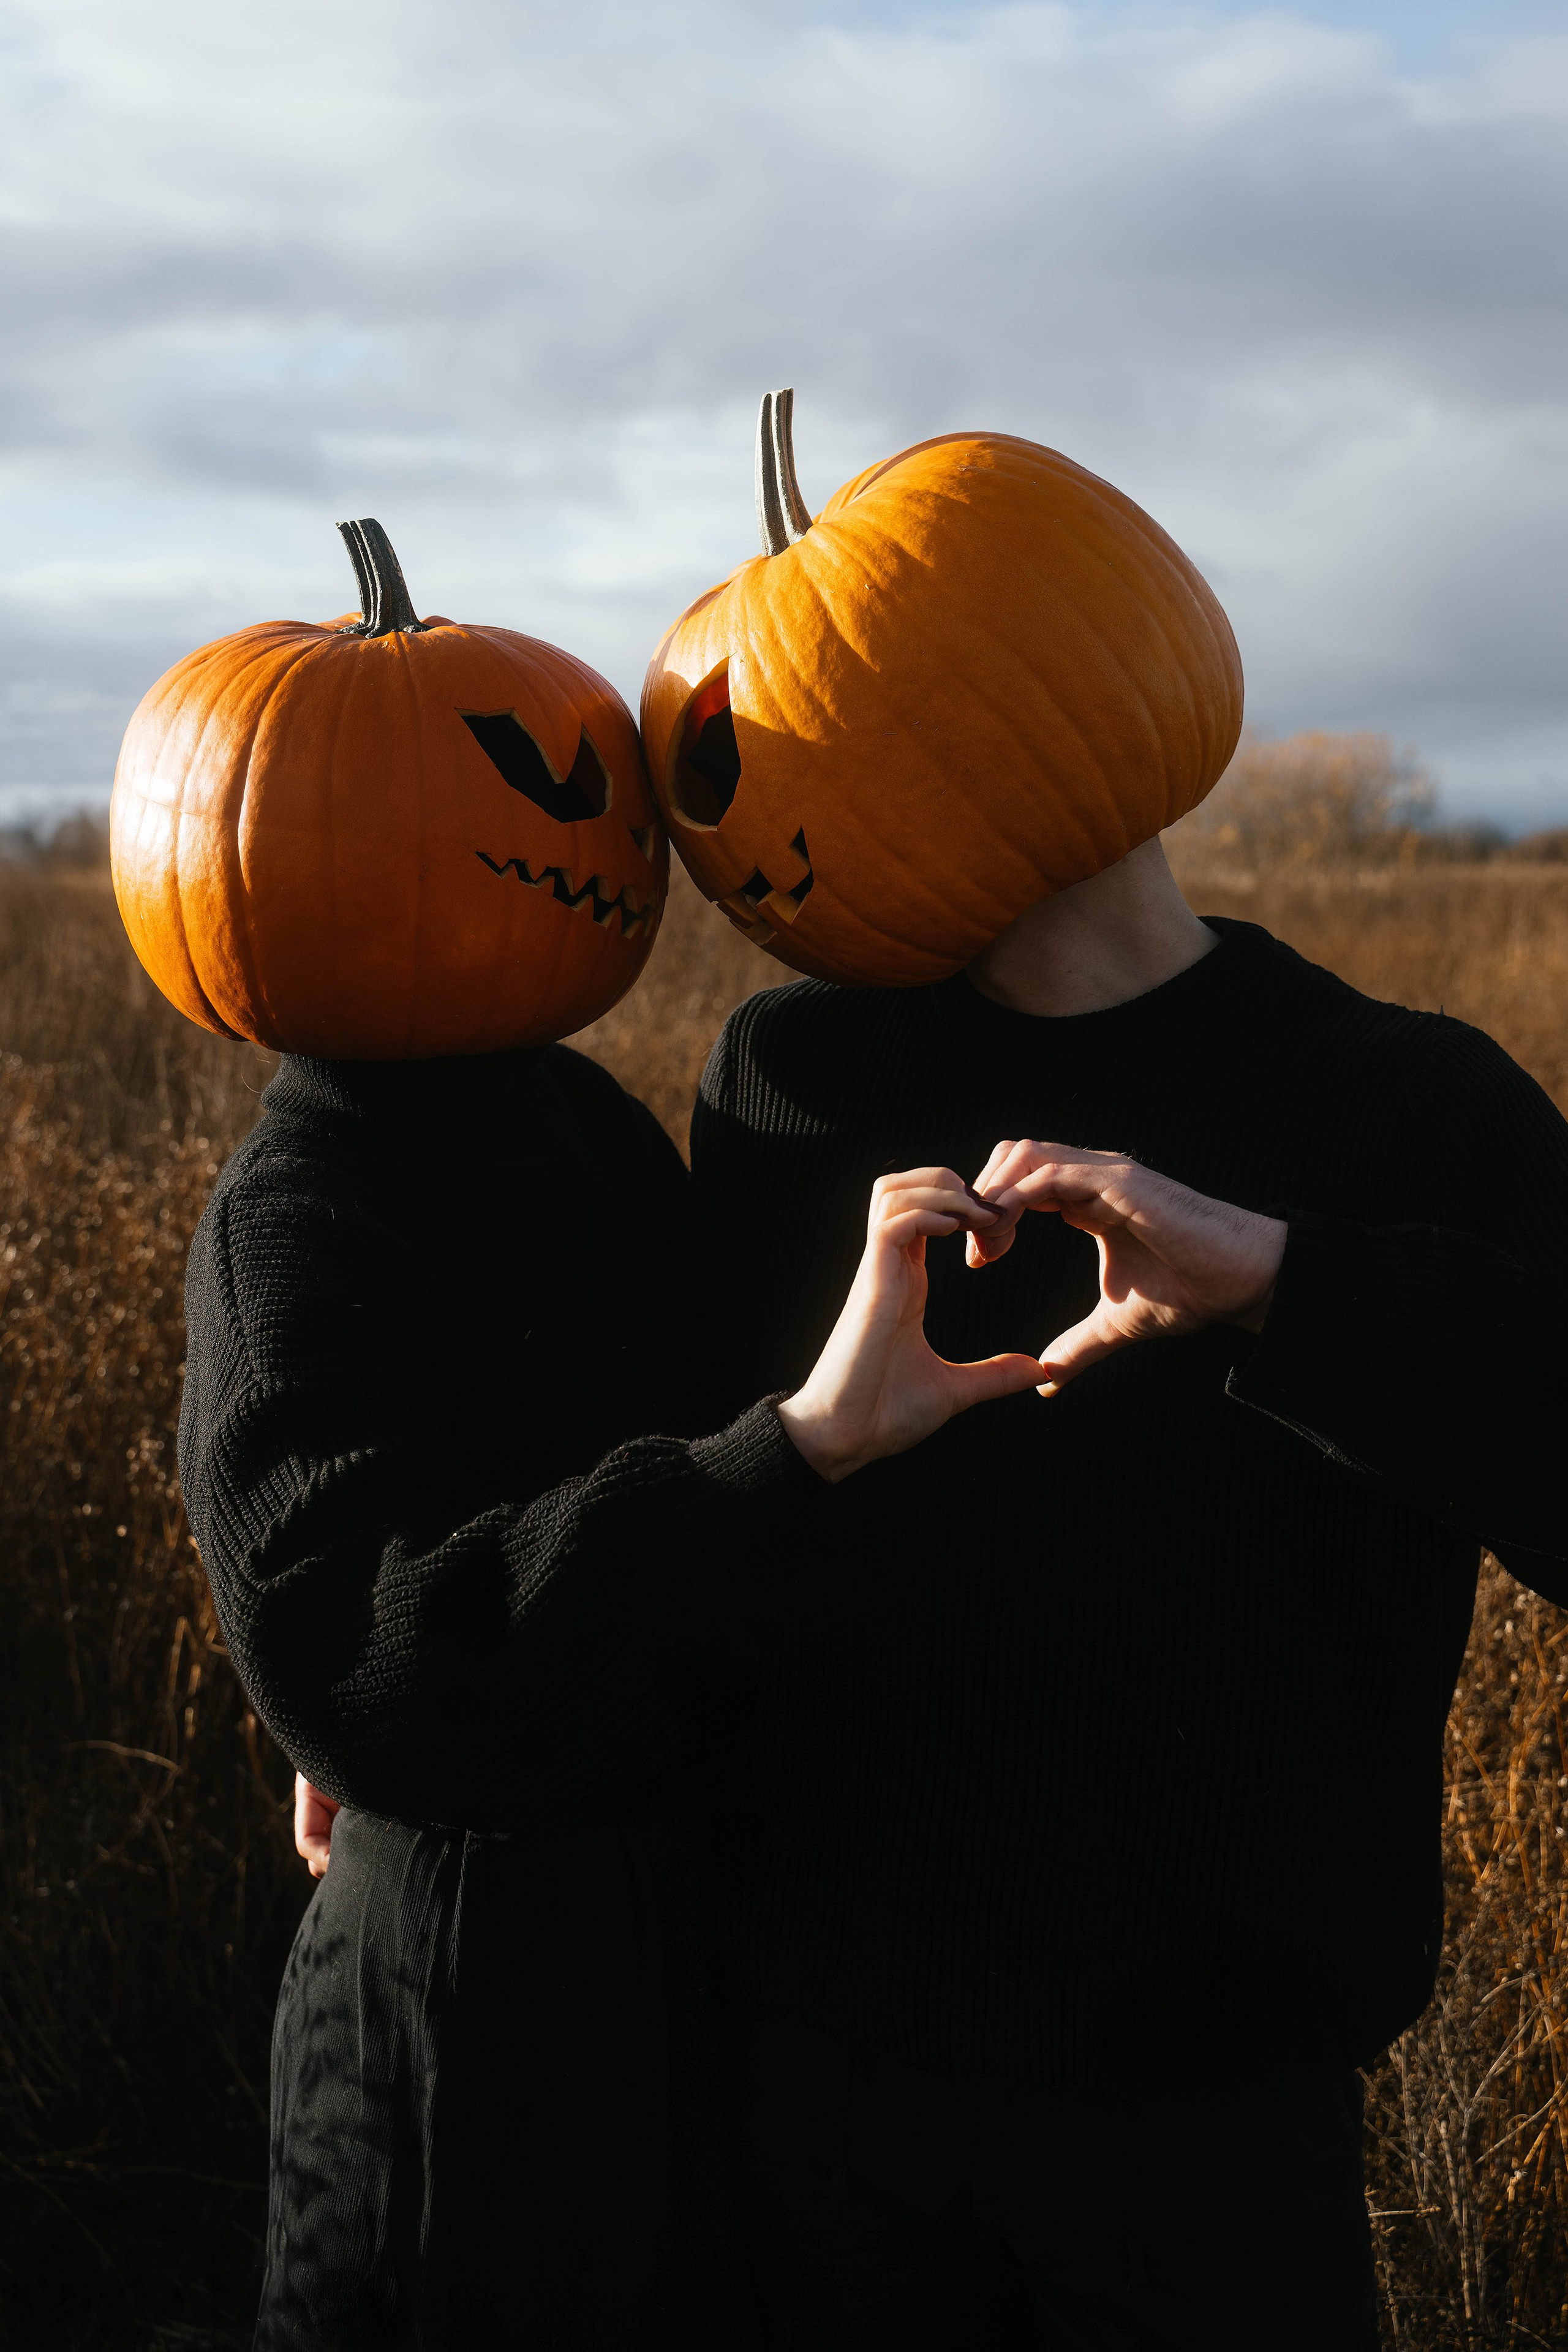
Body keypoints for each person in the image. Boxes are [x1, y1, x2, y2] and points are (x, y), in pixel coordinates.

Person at [689, 830, 1568, 2350]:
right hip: (826, 2113)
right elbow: (684, 1451)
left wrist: (1290, 1281)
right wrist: (378, 1725)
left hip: (1208, 2134)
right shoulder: (791, 1071)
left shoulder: (1408, 1102)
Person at [178, 1035, 1041, 2348]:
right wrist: (795, 1447)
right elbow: (356, 1663)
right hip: (472, 1995)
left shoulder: (575, 1118)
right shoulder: (289, 1210)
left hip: (695, 1949)